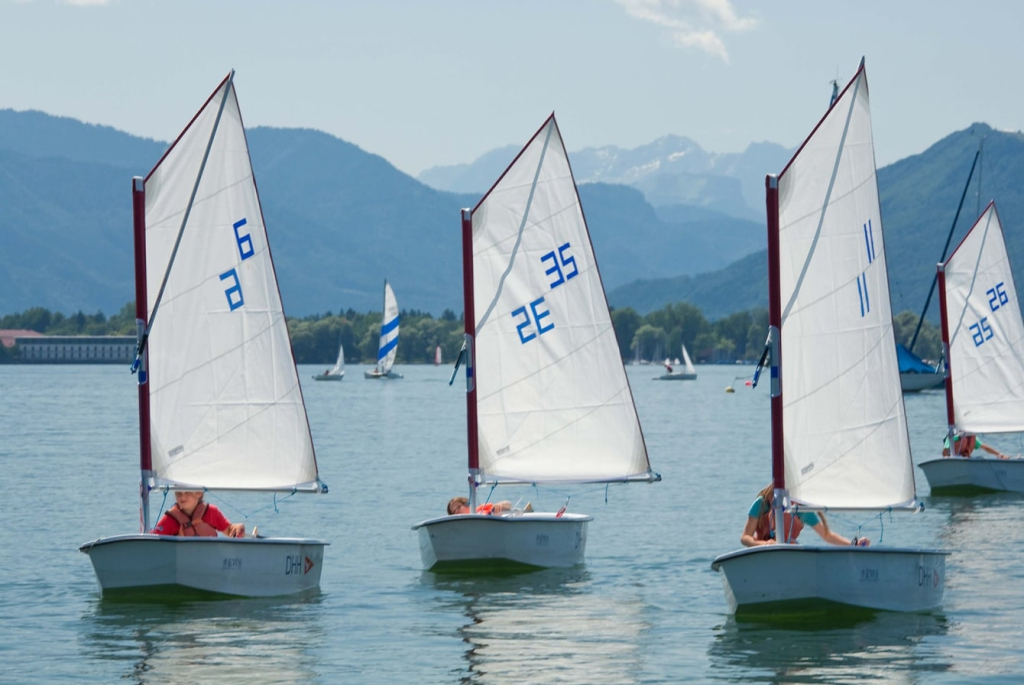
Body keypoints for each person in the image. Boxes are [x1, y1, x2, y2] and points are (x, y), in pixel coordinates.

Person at [740, 484, 869, 547]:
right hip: (762, 550)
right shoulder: (761, 504)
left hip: (789, 552)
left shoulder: (800, 509)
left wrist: (853, 545)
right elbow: (745, 538)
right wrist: (765, 545)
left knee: (787, 520)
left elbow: (827, 535)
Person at [151, 490, 246, 538]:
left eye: (187, 492)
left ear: (199, 493)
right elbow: (153, 541)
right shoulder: (170, 519)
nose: (182, 497)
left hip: (209, 561)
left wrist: (236, 528)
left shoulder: (211, 512)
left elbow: (229, 530)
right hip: (183, 564)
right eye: (178, 492)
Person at [942, 432, 1009, 459]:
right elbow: (944, 451)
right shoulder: (952, 437)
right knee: (963, 440)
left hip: (965, 459)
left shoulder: (972, 438)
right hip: (953, 459)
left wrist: (1000, 454)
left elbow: (985, 448)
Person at [446, 496, 531, 516]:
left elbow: (508, 504)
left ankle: (526, 511)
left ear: (467, 505)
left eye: (458, 507)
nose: (457, 512)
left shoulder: (482, 509)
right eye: (454, 512)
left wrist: (500, 506)